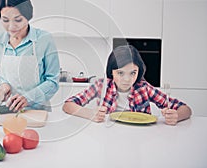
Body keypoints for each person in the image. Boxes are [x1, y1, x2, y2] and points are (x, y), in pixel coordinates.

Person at [62, 45, 192, 125]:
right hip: (108, 138)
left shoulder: (144, 88)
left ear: (138, 72)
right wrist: (90, 114)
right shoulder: (102, 86)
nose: (127, 79)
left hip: (139, 138)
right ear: (111, 72)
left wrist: (176, 116)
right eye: (120, 73)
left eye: (132, 73)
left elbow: (186, 109)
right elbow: (68, 105)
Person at [0, 0, 60, 112]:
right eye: (5, 20)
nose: (11, 26)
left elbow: (53, 81)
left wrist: (28, 98)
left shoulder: (44, 40)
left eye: (18, 20)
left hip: (38, 112)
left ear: (28, 15)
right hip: (6, 111)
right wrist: (0, 86)